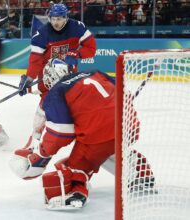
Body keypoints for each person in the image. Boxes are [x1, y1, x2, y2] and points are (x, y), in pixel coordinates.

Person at [9, 59, 155, 210]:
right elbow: (123, 91)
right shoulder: (94, 72)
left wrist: (41, 156)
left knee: (74, 167)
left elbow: (60, 133)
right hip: (129, 125)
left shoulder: (56, 92)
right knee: (109, 149)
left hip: (100, 135)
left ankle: (74, 194)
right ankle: (140, 174)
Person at [18, 3, 97, 148]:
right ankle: (34, 139)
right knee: (45, 104)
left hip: (69, 74)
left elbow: (91, 48)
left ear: (66, 18)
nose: (56, 22)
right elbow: (35, 60)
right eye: (53, 19)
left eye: (59, 19)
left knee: (74, 103)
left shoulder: (77, 27)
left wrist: (77, 53)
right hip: (47, 74)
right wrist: (29, 78)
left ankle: (84, 135)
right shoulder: (41, 34)